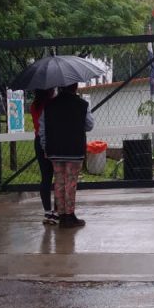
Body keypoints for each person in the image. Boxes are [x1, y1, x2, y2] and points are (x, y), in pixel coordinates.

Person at [39, 83, 94, 228]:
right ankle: (70, 216)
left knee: (59, 182)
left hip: (55, 150)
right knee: (71, 182)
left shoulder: (49, 105)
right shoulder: (82, 104)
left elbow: (42, 128)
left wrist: (45, 146)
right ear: (75, 86)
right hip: (74, 150)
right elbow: (89, 125)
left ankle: (62, 215)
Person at [30, 88, 57, 224]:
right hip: (53, 140)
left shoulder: (34, 105)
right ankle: (57, 211)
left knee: (45, 177)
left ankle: (47, 211)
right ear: (49, 91)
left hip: (38, 141)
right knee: (59, 176)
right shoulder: (52, 104)